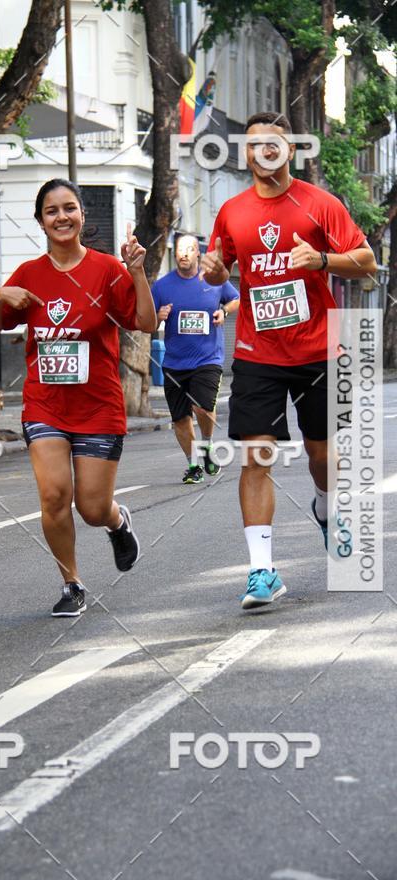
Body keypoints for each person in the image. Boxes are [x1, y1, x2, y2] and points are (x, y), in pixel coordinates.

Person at [200, 111, 377, 611]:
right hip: (258, 352)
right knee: (257, 455)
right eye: (253, 146)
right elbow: (219, 274)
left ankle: (324, 509)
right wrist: (214, 272)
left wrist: (321, 260)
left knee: (322, 456)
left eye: (272, 144)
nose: (262, 152)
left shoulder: (320, 204)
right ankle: (261, 572)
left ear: (289, 150)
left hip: (322, 348)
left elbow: (365, 261)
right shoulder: (232, 211)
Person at [0, 178, 157, 617]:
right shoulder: (27, 275)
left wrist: (136, 272)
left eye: (69, 208)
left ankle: (117, 522)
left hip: (98, 406)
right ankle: (71, 583)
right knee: (54, 497)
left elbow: (146, 323)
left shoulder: (106, 269)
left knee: (92, 508)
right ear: (40, 221)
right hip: (45, 406)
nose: (61, 217)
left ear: (82, 215)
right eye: (52, 210)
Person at [152, 233, 239, 483]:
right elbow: (146, 321)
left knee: (202, 406)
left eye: (189, 249)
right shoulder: (162, 286)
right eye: (180, 250)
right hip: (174, 362)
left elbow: (236, 300)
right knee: (180, 418)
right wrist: (159, 314)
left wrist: (223, 312)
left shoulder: (213, 280)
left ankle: (207, 446)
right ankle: (193, 465)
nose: (184, 254)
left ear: (198, 253)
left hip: (207, 358)